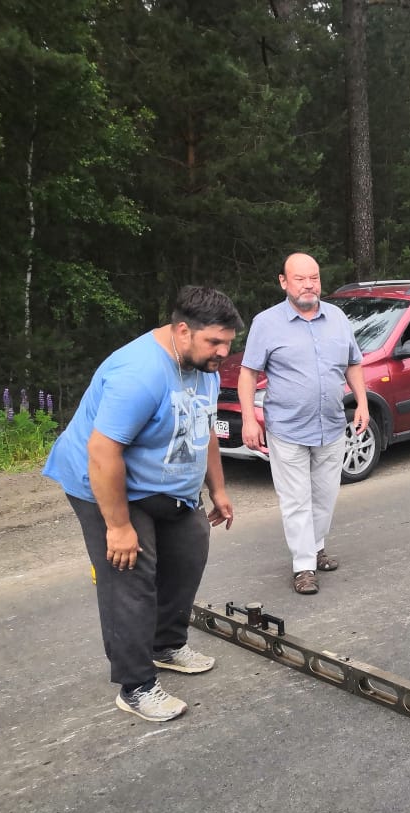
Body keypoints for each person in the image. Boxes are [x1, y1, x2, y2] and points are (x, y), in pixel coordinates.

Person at [43, 286, 245, 722]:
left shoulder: (203, 365)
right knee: (130, 574)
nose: (223, 353)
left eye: (229, 343)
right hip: (105, 483)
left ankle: (165, 645)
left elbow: (203, 427)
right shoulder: (139, 373)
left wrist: (218, 490)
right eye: (215, 343)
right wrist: (117, 527)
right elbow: (103, 452)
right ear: (182, 330)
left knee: (190, 548)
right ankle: (135, 685)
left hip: (165, 486)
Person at [237, 252, 369, 595]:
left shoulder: (338, 318)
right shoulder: (266, 323)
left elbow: (353, 363)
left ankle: (316, 546)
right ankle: (303, 566)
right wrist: (249, 420)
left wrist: (363, 404)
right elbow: (248, 373)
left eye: (314, 277)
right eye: (300, 278)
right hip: (287, 429)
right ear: (283, 282)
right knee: (296, 499)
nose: (309, 285)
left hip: (330, 425)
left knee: (325, 496)